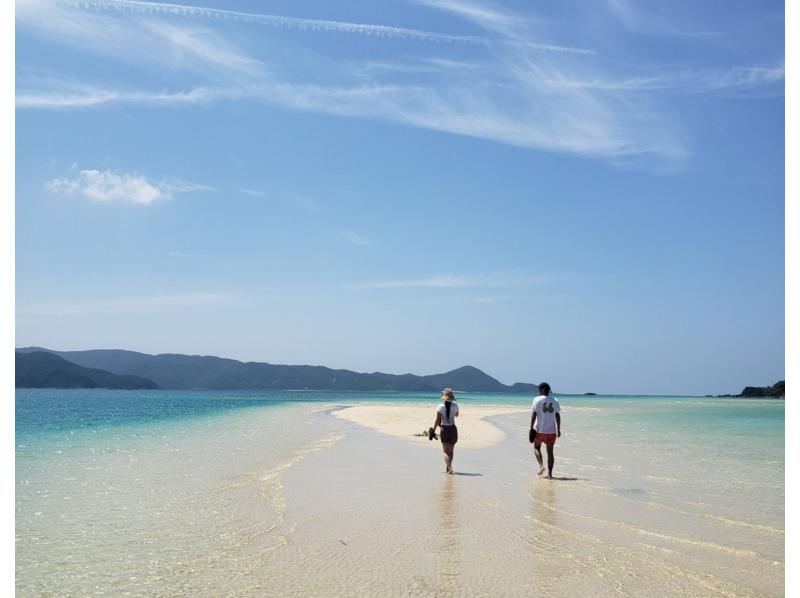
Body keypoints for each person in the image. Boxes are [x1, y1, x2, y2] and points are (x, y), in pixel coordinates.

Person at [530, 382, 561, 478]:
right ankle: (550, 474)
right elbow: (557, 416)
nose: (538, 391)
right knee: (550, 453)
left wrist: (531, 427)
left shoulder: (537, 400)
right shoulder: (555, 400)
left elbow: (534, 414)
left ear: (543, 389)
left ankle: (541, 466)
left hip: (539, 431)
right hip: (551, 432)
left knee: (536, 448)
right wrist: (558, 429)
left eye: (539, 389)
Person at [433, 388, 459, 474]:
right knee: (451, 451)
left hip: (444, 429)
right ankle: (448, 468)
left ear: (444, 397)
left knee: (445, 451)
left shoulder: (440, 406)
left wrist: (433, 429)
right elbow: (457, 415)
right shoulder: (455, 406)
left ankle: (450, 468)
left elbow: (437, 420)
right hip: (453, 429)